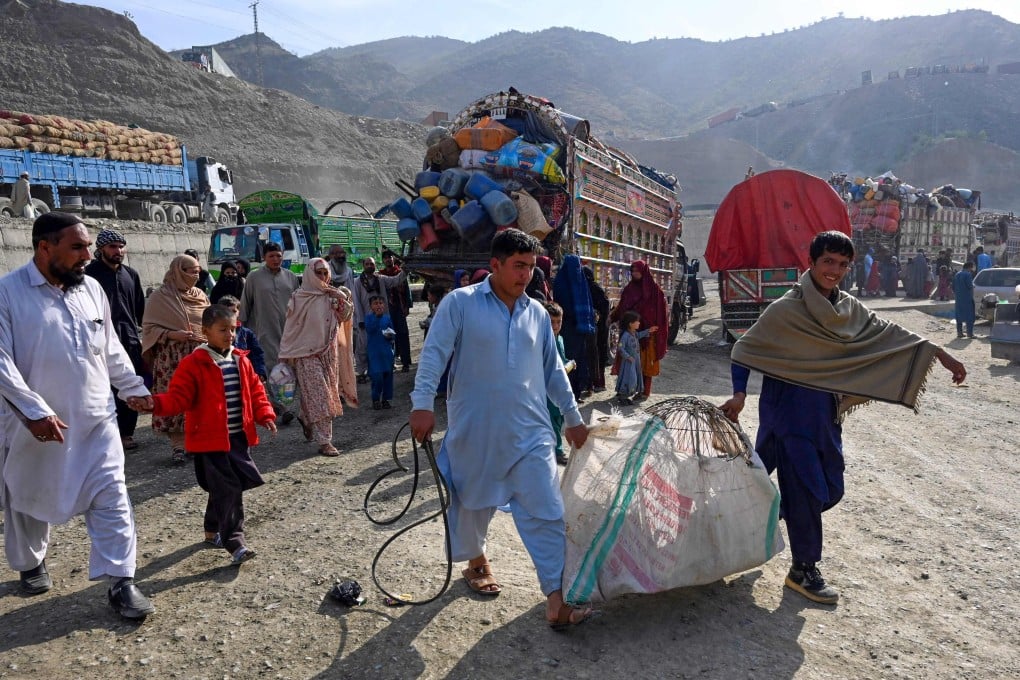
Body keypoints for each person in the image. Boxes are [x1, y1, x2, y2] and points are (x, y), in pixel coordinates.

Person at [720, 230, 966, 605]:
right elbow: (745, 349)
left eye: (842, 264)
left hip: (823, 414)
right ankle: (804, 569)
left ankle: (745, 521)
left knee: (828, 487)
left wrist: (938, 353)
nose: (834, 270)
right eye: (827, 262)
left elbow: (889, 334)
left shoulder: (849, 310)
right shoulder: (787, 309)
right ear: (812, 264)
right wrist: (739, 394)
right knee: (805, 488)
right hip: (787, 412)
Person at [409, 228, 593, 629]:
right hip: (476, 431)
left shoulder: (538, 314)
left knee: (546, 511)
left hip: (532, 435)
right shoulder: (461, 304)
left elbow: (553, 373)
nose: (525, 275)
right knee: (473, 503)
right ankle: (476, 561)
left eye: (530, 266)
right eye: (517, 266)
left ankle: (556, 599)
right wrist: (422, 405)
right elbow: (434, 355)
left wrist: (574, 419)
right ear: (494, 265)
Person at [0, 212, 155, 619]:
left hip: (95, 419)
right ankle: (31, 562)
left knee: (113, 496)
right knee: (28, 495)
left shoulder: (90, 288)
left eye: (88, 246)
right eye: (78, 247)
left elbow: (110, 347)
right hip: (32, 426)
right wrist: (34, 412)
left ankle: (121, 580)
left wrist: (132, 387)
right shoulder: (8, 293)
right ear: (44, 248)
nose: (88, 254)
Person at [144, 304, 277, 565]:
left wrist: (266, 415)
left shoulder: (241, 360)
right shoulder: (193, 364)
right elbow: (178, 398)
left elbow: (256, 392)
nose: (230, 335)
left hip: (237, 438)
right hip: (209, 441)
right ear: (205, 332)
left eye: (233, 329)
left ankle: (211, 530)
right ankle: (235, 542)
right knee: (230, 489)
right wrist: (154, 403)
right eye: (222, 330)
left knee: (223, 487)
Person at [278, 257, 358, 456]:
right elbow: (291, 329)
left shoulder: (331, 296)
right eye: (318, 273)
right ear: (309, 273)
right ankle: (325, 442)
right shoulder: (299, 297)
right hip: (306, 356)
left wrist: (340, 297)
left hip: (329, 353)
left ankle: (305, 417)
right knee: (322, 396)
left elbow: (345, 317)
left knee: (320, 394)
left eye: (325, 273)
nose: (322, 277)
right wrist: (286, 354)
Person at [142, 254, 209, 463]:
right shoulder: (160, 297)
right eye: (191, 271)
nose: (196, 276)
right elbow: (149, 328)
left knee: (200, 399)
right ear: (179, 271)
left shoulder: (200, 295)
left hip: (199, 354)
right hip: (172, 358)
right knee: (176, 399)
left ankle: (197, 442)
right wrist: (172, 335)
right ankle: (178, 446)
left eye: (198, 271)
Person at [84, 228, 147, 451]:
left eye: (121, 246)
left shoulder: (131, 274)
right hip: (98, 343)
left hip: (129, 340)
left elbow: (141, 311)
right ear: (100, 249)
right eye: (112, 247)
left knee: (129, 384)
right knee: (103, 389)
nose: (118, 251)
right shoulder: (89, 276)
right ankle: (106, 435)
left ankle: (126, 434)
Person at [239, 242, 299, 423]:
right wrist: (241, 330)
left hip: (289, 331)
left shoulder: (290, 277)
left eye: (278, 256)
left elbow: (298, 303)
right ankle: (282, 406)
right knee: (272, 367)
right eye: (271, 256)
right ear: (264, 258)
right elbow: (245, 304)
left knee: (288, 368)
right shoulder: (254, 277)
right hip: (264, 330)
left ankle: (282, 402)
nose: (275, 259)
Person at [611, 260, 669, 399]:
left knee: (646, 364)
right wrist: (612, 317)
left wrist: (656, 329)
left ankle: (644, 391)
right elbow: (622, 307)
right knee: (627, 362)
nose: (634, 274)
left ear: (644, 272)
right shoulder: (629, 289)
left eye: (637, 271)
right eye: (632, 271)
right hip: (630, 332)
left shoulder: (655, 291)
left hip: (648, 334)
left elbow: (662, 312)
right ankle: (626, 389)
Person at [352, 256, 406, 383]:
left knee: (386, 341)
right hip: (366, 319)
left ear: (375, 265)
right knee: (364, 346)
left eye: (372, 264)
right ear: (363, 266)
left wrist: (405, 271)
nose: (370, 266)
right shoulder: (357, 282)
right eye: (367, 264)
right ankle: (362, 372)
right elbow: (357, 302)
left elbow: (396, 280)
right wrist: (360, 320)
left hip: (382, 317)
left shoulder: (381, 279)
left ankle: (387, 366)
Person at [552, 254, 596, 400]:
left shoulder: (580, 281)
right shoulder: (562, 282)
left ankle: (576, 393)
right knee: (566, 360)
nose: (576, 270)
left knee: (578, 361)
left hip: (578, 329)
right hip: (566, 327)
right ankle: (567, 393)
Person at [544, 302, 571, 465]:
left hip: (560, 387)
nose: (555, 326)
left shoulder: (559, 339)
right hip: (548, 390)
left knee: (559, 419)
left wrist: (569, 363)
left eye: (558, 322)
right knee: (552, 421)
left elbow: (561, 361)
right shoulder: (543, 341)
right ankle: (557, 451)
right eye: (551, 322)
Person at [218, 295, 267, 380]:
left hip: (244, 375)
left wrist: (260, 372)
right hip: (221, 375)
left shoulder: (246, 334)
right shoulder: (215, 332)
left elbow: (257, 353)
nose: (230, 315)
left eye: (234, 311)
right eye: (226, 311)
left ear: (238, 312)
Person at [380, 249, 413, 373]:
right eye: (386, 258)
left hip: (399, 307)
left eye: (390, 257)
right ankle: (390, 362)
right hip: (387, 308)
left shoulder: (400, 273)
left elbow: (407, 291)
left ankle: (405, 363)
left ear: (393, 259)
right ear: (383, 260)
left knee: (403, 334)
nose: (388, 259)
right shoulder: (381, 275)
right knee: (388, 335)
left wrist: (407, 306)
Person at [615, 311, 656, 405]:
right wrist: (628, 356)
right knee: (629, 378)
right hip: (628, 363)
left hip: (635, 361)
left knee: (634, 378)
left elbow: (640, 335)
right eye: (637, 321)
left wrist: (649, 330)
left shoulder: (633, 333)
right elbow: (620, 348)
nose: (639, 323)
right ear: (630, 323)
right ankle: (623, 396)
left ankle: (626, 397)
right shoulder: (625, 335)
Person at [582, 265, 610, 392]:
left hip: (599, 327)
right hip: (594, 326)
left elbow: (605, 306)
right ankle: (591, 384)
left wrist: (596, 315)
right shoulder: (587, 288)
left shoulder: (594, 289)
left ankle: (598, 383)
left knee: (597, 352)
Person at [365, 295, 396, 410]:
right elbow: (369, 329)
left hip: (386, 352)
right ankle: (376, 398)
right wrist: (377, 318)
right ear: (371, 306)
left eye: (380, 303)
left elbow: (393, 333)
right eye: (375, 303)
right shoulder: (368, 318)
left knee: (388, 376)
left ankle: (386, 399)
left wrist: (391, 336)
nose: (378, 305)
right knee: (377, 377)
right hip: (374, 353)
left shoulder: (387, 318)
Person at [953, 262, 976, 339]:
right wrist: (973, 286)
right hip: (967, 298)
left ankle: (959, 333)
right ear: (969, 267)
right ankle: (970, 333)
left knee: (959, 315)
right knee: (969, 316)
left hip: (958, 298)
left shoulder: (957, 274)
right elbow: (969, 285)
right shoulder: (967, 274)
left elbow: (953, 286)